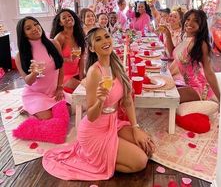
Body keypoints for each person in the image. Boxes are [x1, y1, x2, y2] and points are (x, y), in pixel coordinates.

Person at [42, 27, 155, 181]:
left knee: (148, 145)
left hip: (113, 123)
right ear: (91, 47)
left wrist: (136, 128)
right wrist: (100, 100)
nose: (105, 41)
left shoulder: (117, 66)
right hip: (94, 131)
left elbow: (127, 101)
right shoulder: (94, 72)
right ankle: (94, 158)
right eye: (98, 39)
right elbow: (91, 116)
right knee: (140, 161)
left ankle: (111, 153)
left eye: (106, 36)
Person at [166, 9, 221, 103]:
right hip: (187, 84)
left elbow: (209, 72)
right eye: (188, 19)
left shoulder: (201, 44)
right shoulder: (186, 38)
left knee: (167, 99)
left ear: (201, 25)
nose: (189, 23)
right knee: (164, 93)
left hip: (200, 88)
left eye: (195, 20)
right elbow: (173, 53)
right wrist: (167, 33)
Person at [15, 16, 64, 119]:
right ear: (23, 34)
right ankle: (30, 107)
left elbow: (61, 67)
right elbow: (28, 82)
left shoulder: (54, 43)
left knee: (66, 112)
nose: (34, 28)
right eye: (28, 28)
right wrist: (34, 73)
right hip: (35, 93)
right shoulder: (20, 56)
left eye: (36, 24)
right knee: (48, 117)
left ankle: (35, 108)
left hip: (54, 91)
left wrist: (60, 87)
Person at [50, 9, 86, 93]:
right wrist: (67, 59)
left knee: (94, 83)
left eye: (70, 16)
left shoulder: (79, 35)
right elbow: (52, 59)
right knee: (85, 89)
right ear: (60, 23)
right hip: (63, 76)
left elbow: (81, 59)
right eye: (64, 18)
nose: (68, 18)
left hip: (77, 73)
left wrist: (81, 77)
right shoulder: (60, 37)